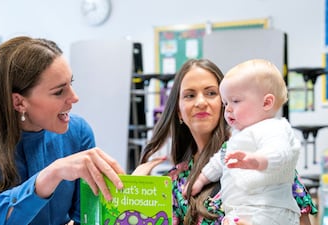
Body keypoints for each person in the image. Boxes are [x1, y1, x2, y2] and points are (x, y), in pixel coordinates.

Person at [0, 36, 124, 225]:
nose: (74, 97)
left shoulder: (79, 132)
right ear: (19, 102)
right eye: (59, 91)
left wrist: (132, 193)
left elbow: (85, 216)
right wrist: (51, 175)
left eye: (71, 83)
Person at [136, 58, 317, 225]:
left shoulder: (258, 153)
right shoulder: (175, 182)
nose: (200, 102)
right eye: (190, 95)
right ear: (178, 111)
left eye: (210, 93)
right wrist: (135, 187)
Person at [187, 59, 301, 225]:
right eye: (226, 103)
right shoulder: (239, 136)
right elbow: (221, 160)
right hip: (242, 210)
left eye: (236, 101)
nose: (228, 109)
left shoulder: (274, 128)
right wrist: (201, 179)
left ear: (266, 102)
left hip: (270, 210)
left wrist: (258, 160)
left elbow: (280, 152)